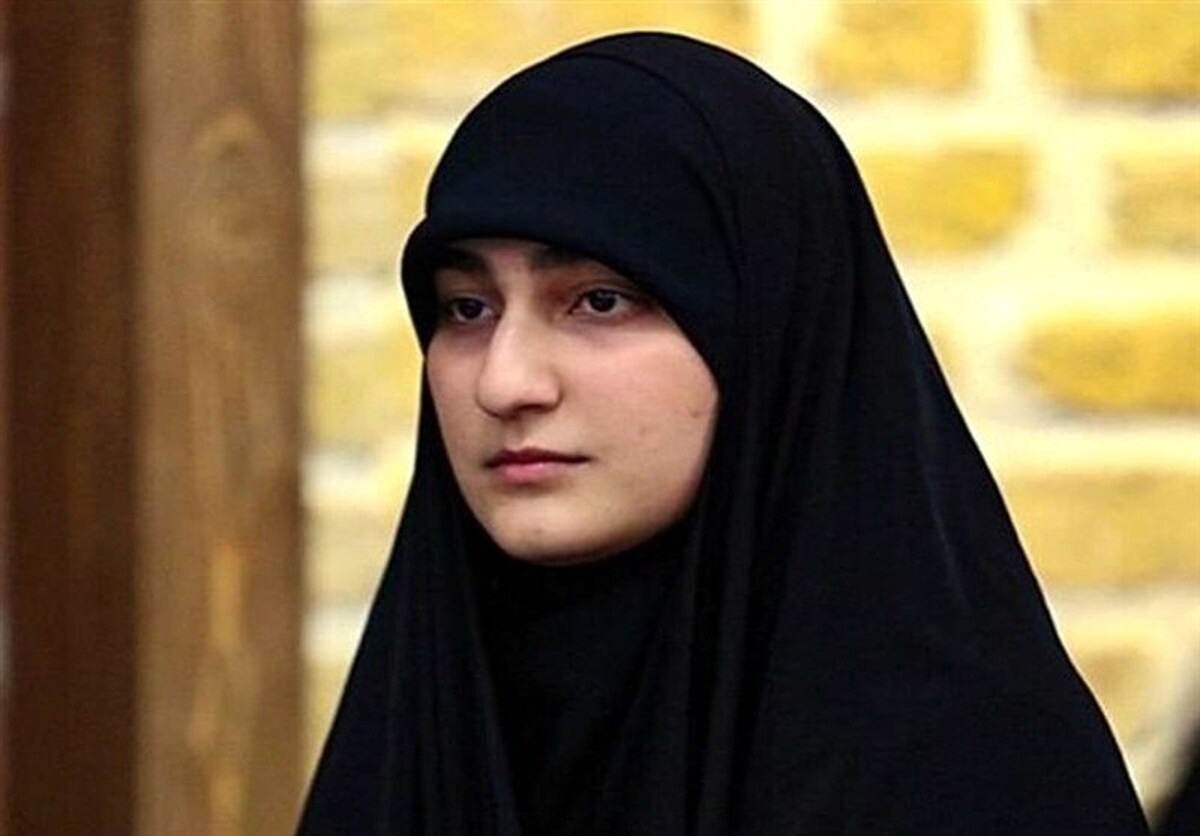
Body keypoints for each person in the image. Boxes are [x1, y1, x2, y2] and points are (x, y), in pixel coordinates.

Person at [300, 33, 1149, 835]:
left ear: (764, 333)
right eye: (466, 308)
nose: (504, 382)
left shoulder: (973, 778)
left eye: (600, 300)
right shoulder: (417, 732)